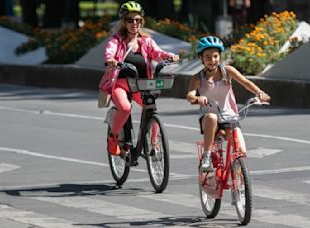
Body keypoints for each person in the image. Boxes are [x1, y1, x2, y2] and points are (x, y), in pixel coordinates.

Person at [99, 1, 180, 156]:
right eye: (130, 20)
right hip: (120, 85)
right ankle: (113, 137)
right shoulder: (117, 40)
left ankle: (154, 144)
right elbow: (110, 51)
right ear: (123, 22)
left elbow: (157, 53)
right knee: (125, 108)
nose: (134, 23)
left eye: (137, 20)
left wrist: (170, 56)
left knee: (150, 107)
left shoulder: (146, 40)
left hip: (140, 84)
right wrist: (111, 59)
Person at [186, 36, 270, 172]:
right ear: (201, 58)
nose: (212, 60)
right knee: (212, 117)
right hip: (208, 118)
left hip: (229, 116)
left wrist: (259, 93)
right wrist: (197, 98)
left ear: (219, 56)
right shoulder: (197, 77)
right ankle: (206, 158)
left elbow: (246, 83)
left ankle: (240, 185)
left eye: (215, 56)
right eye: (207, 57)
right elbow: (190, 96)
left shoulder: (227, 71)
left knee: (241, 150)